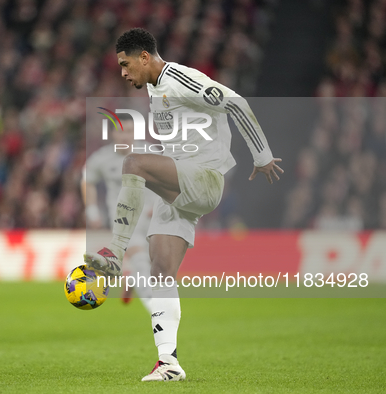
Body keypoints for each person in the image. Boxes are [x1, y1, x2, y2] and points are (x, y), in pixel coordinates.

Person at [84, 28, 283, 382]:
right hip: (180, 187)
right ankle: (169, 363)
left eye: (126, 65)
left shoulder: (180, 79)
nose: (123, 73)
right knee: (161, 272)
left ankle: (114, 252)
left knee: (133, 163)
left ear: (144, 57)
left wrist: (262, 156)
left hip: (204, 179)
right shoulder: (155, 90)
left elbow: (235, 102)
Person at [82, 119, 155, 311]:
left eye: (129, 131)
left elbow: (168, 180)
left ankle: (131, 277)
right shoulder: (102, 158)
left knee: (157, 267)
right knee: (141, 261)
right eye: (120, 131)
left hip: (152, 217)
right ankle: (156, 311)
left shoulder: (150, 153)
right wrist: (92, 210)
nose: (125, 136)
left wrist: (161, 204)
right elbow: (87, 180)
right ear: (113, 134)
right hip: (123, 220)